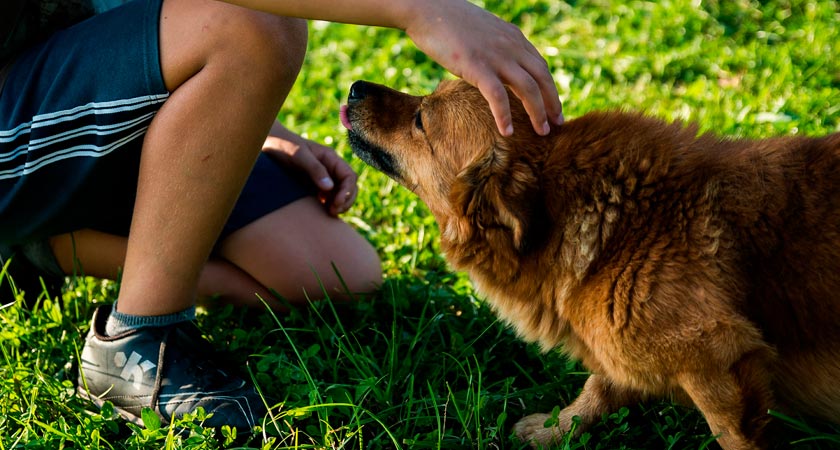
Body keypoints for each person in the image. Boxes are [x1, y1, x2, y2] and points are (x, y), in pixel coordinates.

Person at [0, 0, 563, 430]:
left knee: (335, 273)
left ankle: (47, 242)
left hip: (88, 85)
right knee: (261, 26)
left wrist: (242, 115)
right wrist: (423, 10)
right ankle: (136, 341)